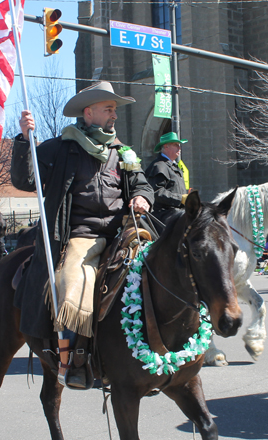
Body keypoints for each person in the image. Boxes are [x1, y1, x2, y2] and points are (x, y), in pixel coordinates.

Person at [11, 81, 154, 388]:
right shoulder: (61, 148)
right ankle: (73, 359)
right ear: (88, 113)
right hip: (81, 235)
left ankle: (148, 355)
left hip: (123, 232)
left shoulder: (123, 152)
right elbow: (25, 179)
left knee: (158, 273)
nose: (114, 114)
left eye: (115, 108)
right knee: (72, 283)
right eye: (108, 108)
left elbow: (143, 184)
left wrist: (143, 197)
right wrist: (24, 140)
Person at [145, 132, 189, 235]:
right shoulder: (159, 166)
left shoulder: (172, 166)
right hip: (164, 217)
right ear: (166, 146)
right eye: (176, 145)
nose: (179, 148)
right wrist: (180, 199)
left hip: (176, 213)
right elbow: (156, 192)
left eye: (179, 145)